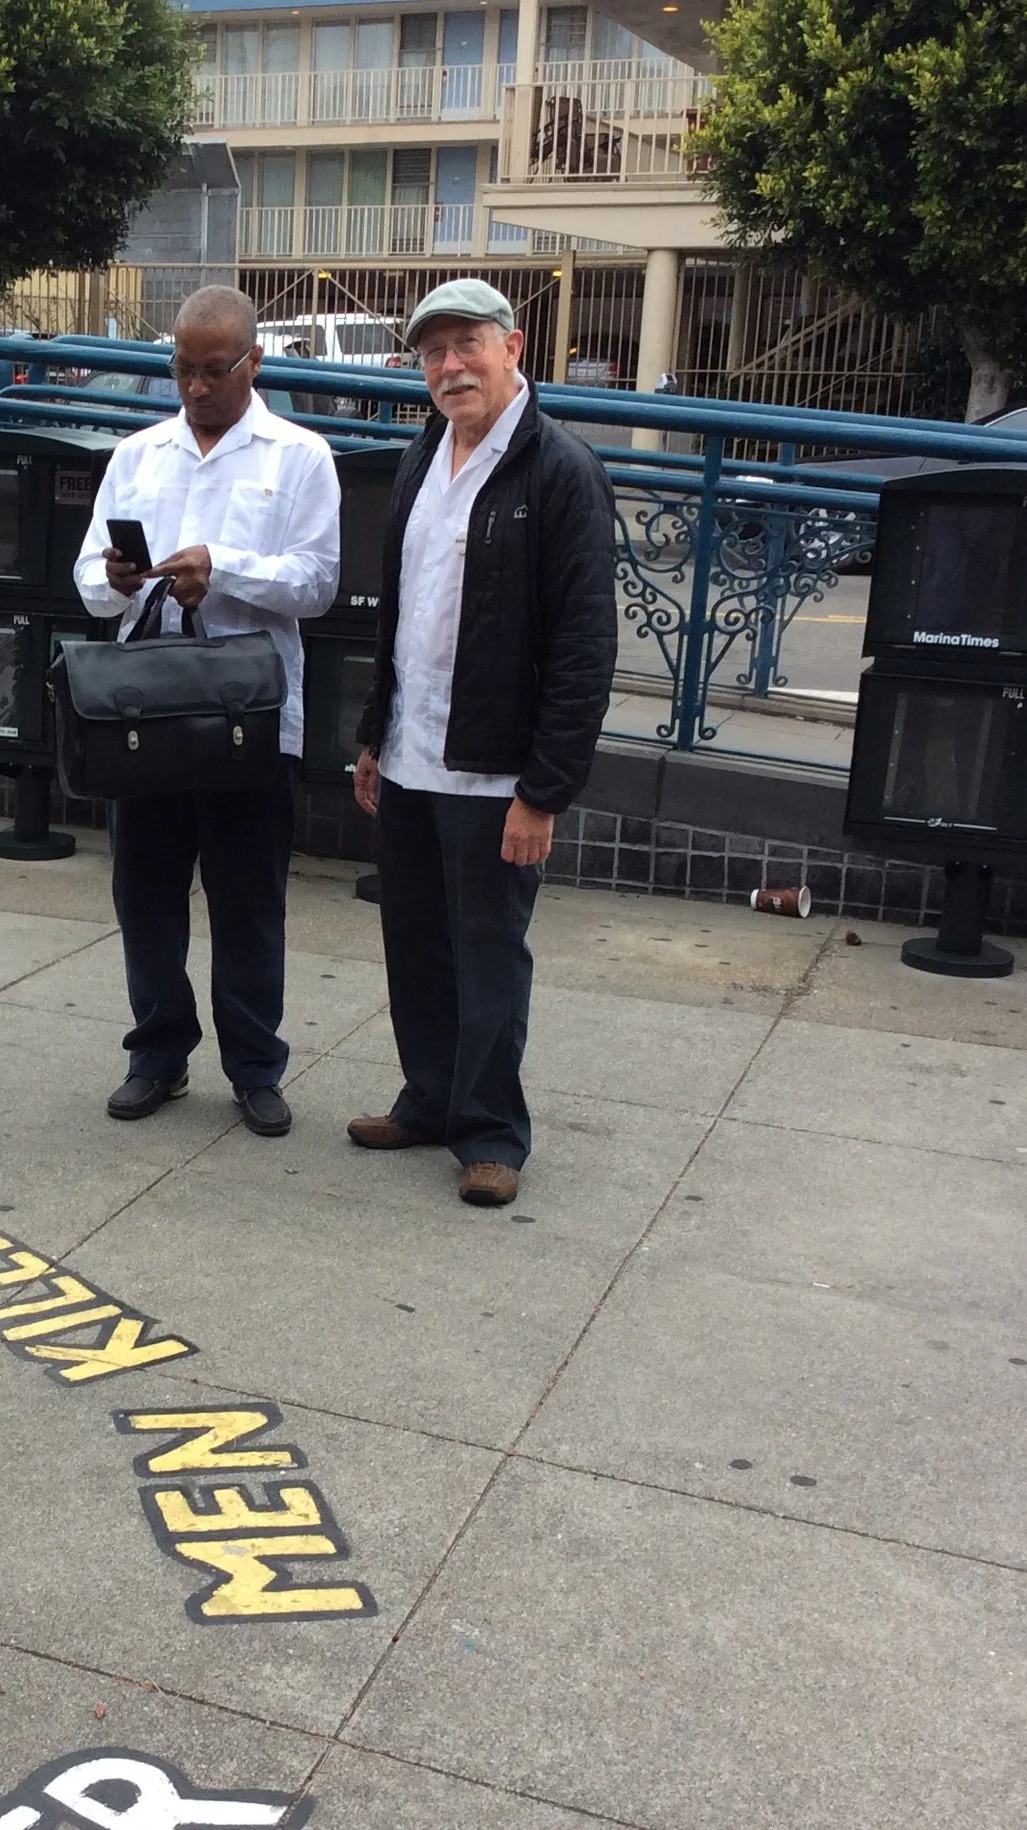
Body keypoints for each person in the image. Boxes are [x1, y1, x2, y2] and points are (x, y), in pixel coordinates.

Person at [347, 279, 617, 1205]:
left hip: (497, 772)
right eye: (433, 352)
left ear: (515, 346)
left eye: (467, 345)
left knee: (490, 953)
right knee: (415, 942)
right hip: (414, 754)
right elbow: (401, 613)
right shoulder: (425, 456)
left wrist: (545, 790)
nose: (450, 366)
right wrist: (373, 732)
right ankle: (428, 1097)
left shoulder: (560, 471)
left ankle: (491, 1130)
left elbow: (585, 646)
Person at [75, 286, 341, 1137]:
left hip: (249, 719)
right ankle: (157, 1052)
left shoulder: (297, 456)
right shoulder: (139, 453)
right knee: (144, 891)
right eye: (182, 368)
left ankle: (256, 1065)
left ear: (253, 363)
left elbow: (317, 582)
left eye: (213, 370)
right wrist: (115, 581)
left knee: (248, 897)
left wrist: (219, 569)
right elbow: (86, 579)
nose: (194, 387)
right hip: (146, 713)